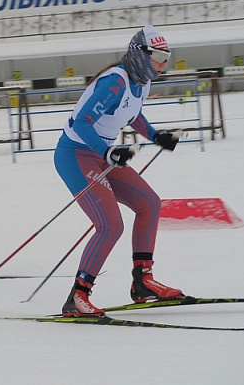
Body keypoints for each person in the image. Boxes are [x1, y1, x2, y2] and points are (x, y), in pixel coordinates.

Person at [55, 25, 184, 317]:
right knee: (110, 224)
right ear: (140, 55)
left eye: (167, 57)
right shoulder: (114, 82)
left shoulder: (142, 81)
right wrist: (107, 151)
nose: (163, 64)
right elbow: (82, 123)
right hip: (76, 155)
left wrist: (155, 135)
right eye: (158, 57)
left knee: (149, 203)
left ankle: (143, 282)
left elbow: (132, 113)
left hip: (102, 156)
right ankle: (77, 297)